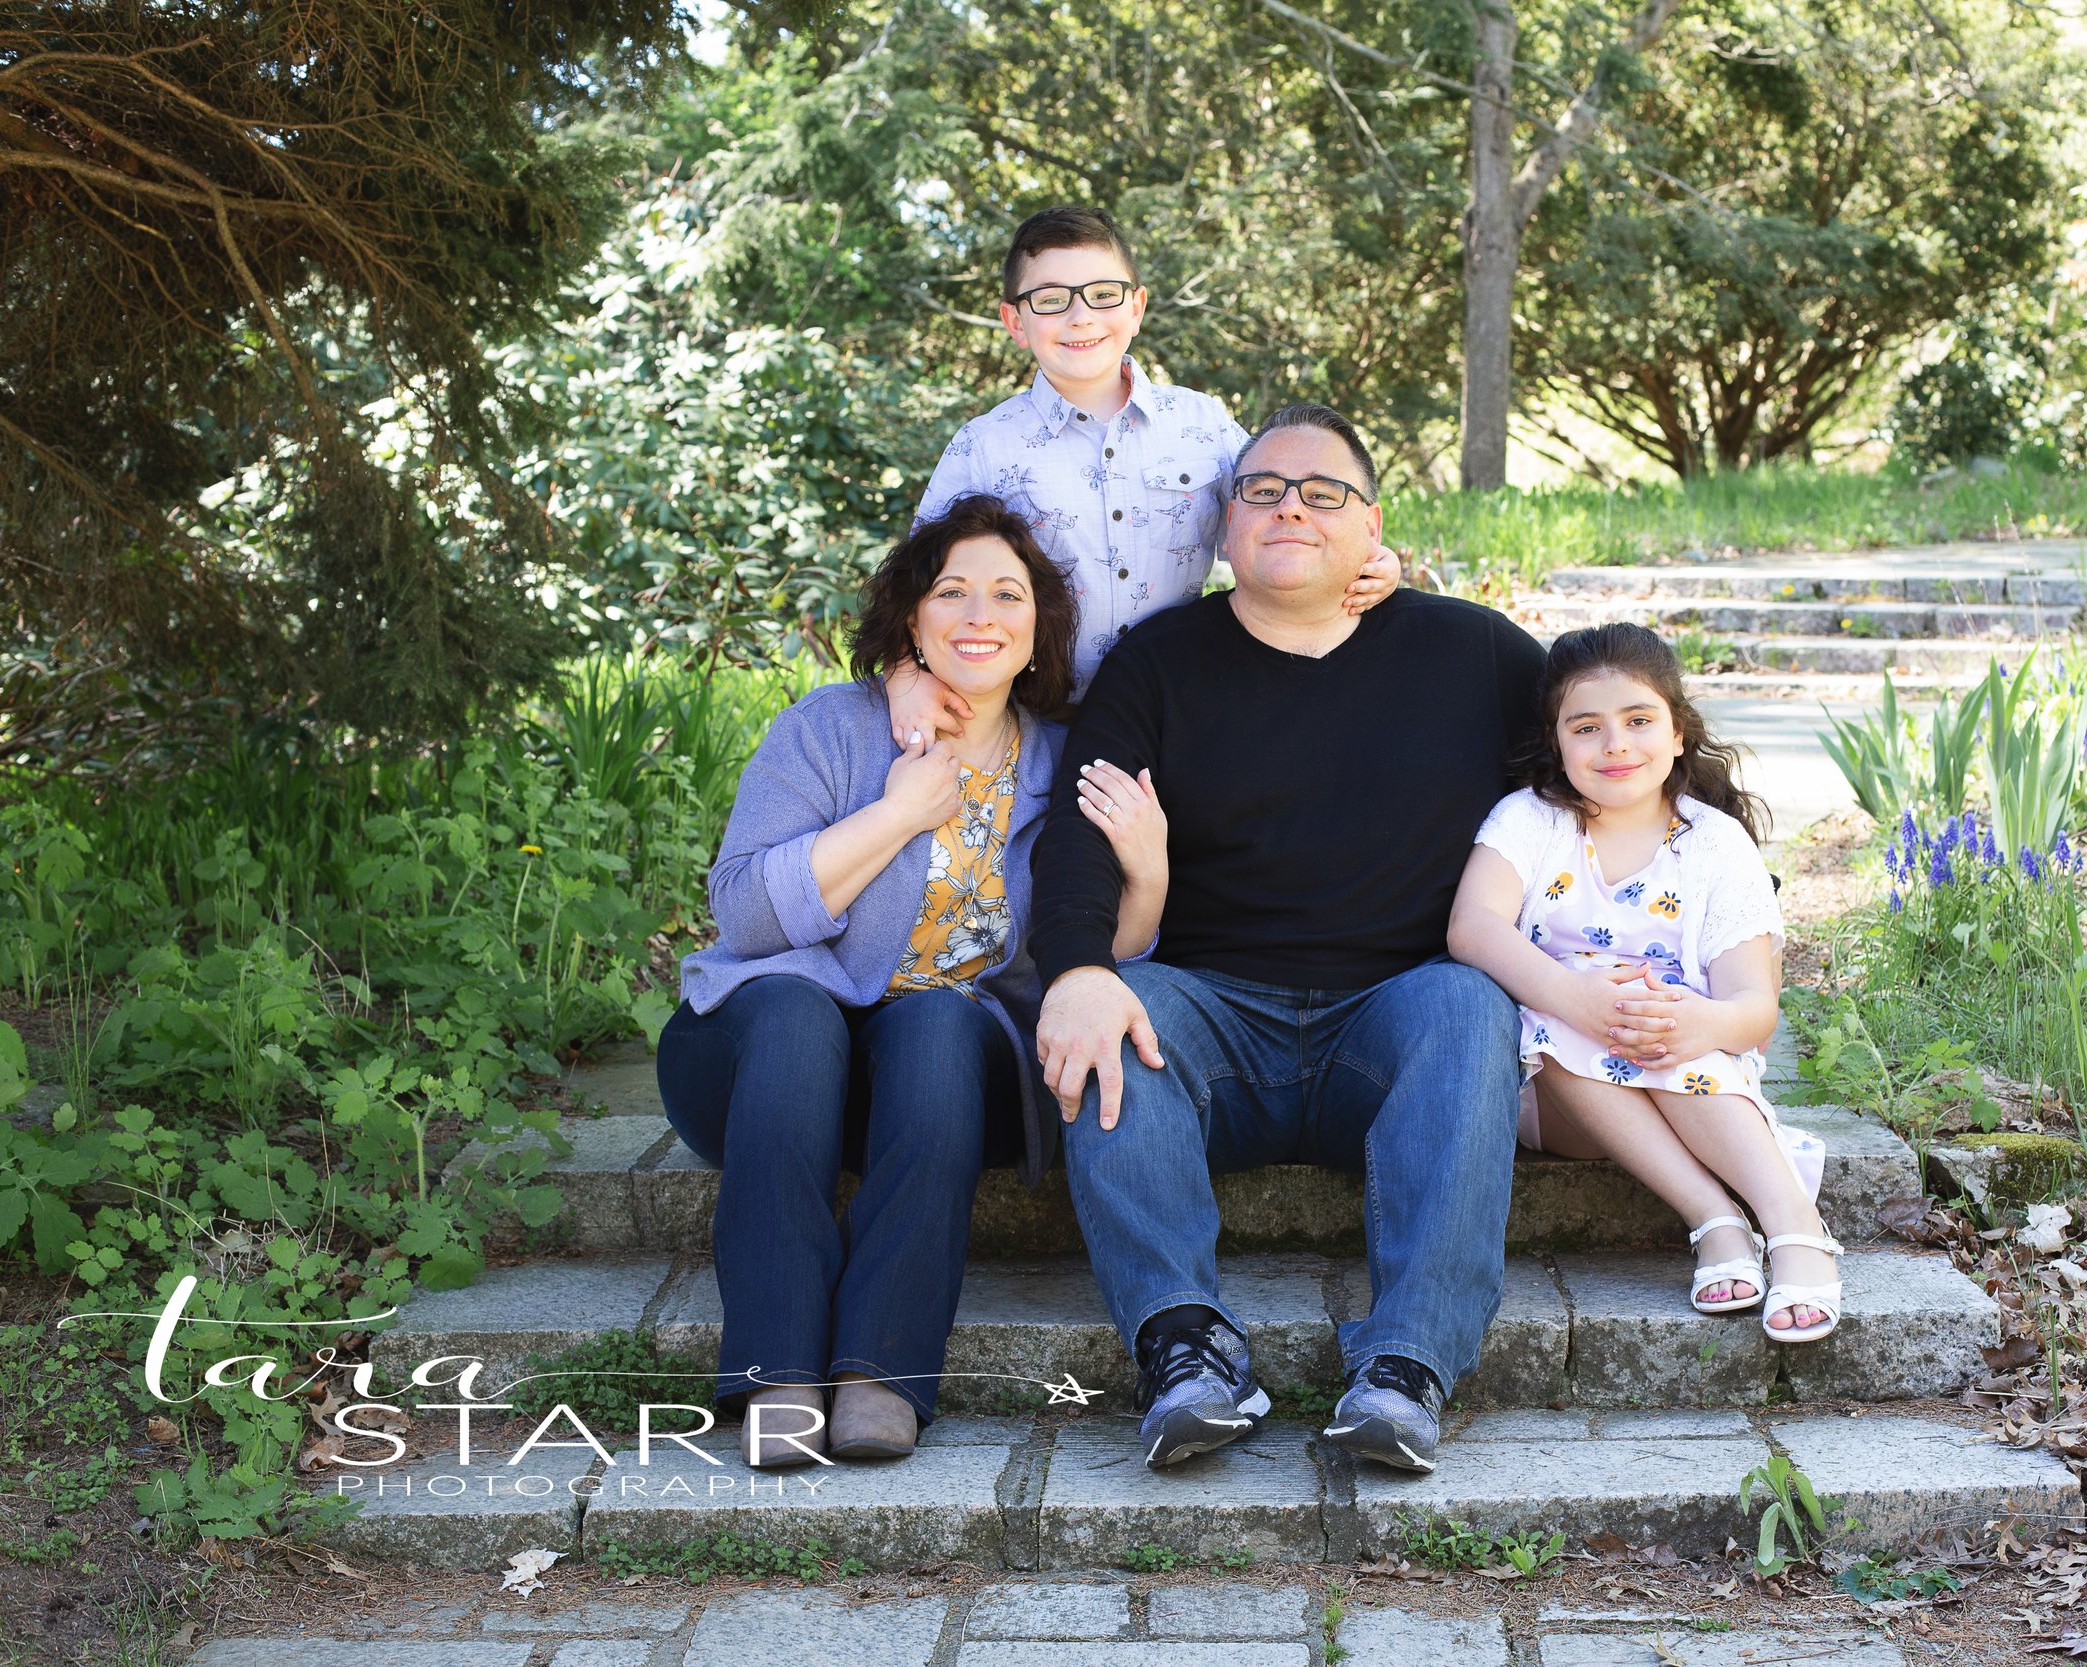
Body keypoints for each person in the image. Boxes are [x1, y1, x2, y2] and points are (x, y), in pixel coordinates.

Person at [1029, 403, 1546, 1476]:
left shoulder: (1473, 651)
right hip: (1209, 1010)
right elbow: (1081, 835)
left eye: (1324, 492)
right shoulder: (1157, 661)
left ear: (1372, 528)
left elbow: (1606, 741)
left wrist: (1714, 867)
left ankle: (1406, 1367)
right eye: (1260, 489)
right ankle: (1187, 1351)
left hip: (1392, 1011)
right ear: (1224, 528)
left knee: (1469, 1002)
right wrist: (1077, 966)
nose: (1289, 507)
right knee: (1114, 1016)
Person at [656, 495, 1166, 1470]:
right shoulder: (828, 729)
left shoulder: (1061, 763)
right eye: (952, 591)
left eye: (1006, 594)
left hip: (935, 1088)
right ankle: (776, 1373)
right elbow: (746, 917)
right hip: (763, 1066)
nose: (980, 614)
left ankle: (883, 1372)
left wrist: (1149, 868)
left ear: (1037, 627)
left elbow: (1109, 958)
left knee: (940, 1020)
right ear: (911, 620)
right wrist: (898, 813)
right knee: (797, 1009)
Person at [1446, 623, 1843, 1342]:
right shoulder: (1530, 821)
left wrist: (1696, 1021)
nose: (1615, 745)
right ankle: (1712, 1216)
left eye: (1638, 721)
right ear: (1557, 741)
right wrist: (1580, 1000)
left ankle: (1792, 1222)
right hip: (1561, 1091)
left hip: (1690, 1076)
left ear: (1679, 732)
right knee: (1555, 998)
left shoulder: (1714, 843)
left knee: (1664, 1011)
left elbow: (1755, 1011)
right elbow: (1472, 928)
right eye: (1587, 727)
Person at [887, 204, 1400, 736]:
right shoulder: (984, 446)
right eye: (1051, 299)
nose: (1080, 316)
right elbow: (916, 583)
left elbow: (1275, 521)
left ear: (1136, 307)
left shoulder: (1203, 424)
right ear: (1015, 321)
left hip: (1180, 709)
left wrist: (1367, 562)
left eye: (1103, 294)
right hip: (1034, 719)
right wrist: (905, 677)